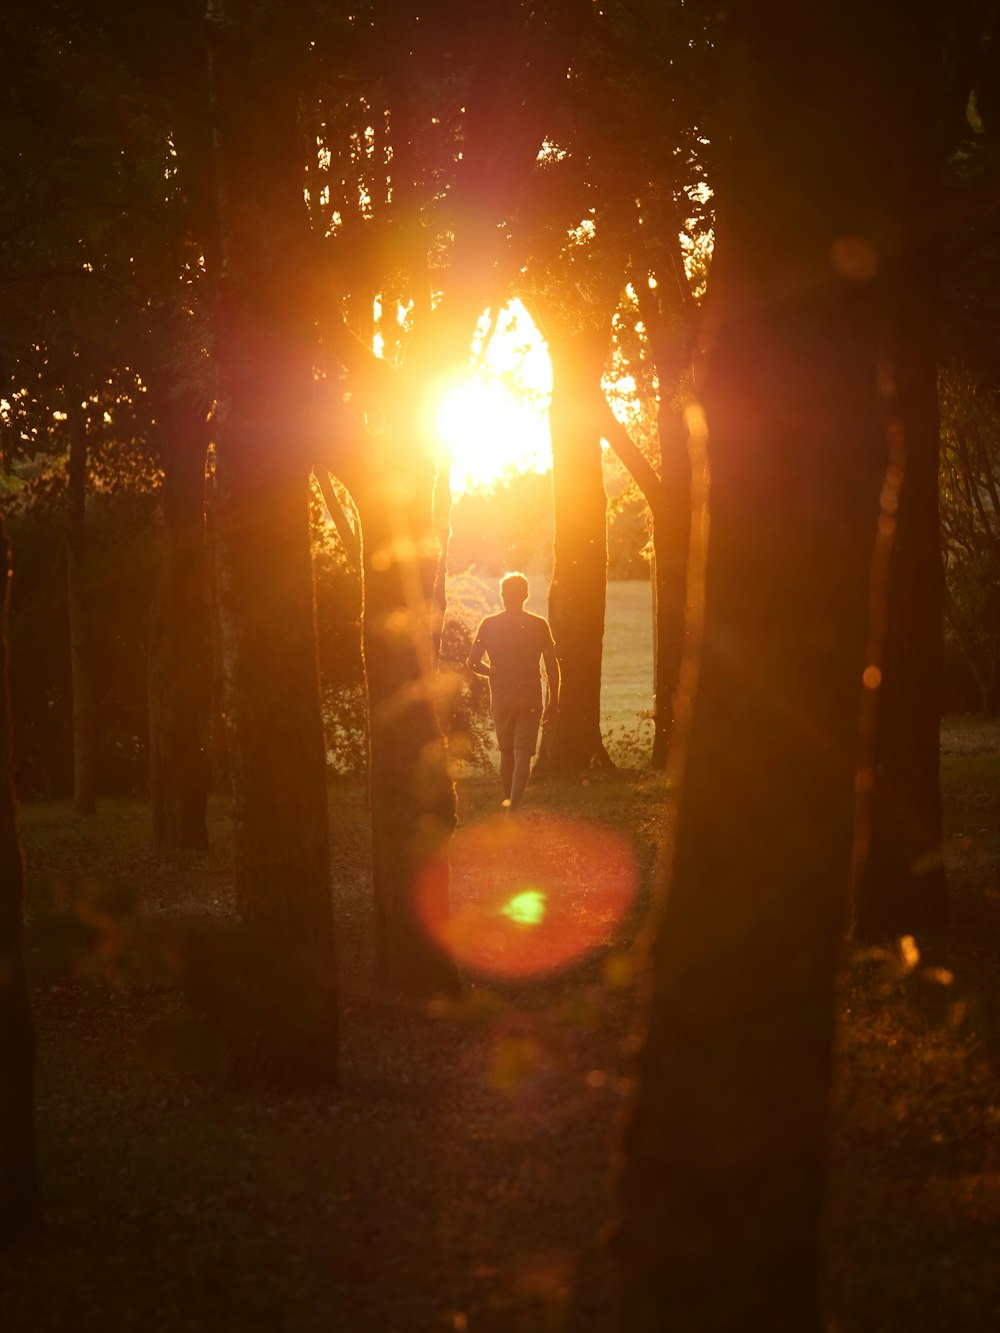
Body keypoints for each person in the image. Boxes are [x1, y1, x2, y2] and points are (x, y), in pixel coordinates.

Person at [467, 572, 560, 815]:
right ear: (526, 595)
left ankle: (508, 803)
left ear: (502, 595)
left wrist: (492, 672)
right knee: (522, 754)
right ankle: (513, 811)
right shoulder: (539, 625)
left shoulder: (488, 624)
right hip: (529, 697)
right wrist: (554, 700)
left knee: (506, 753)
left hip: (501, 698)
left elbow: (472, 663)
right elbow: (552, 664)